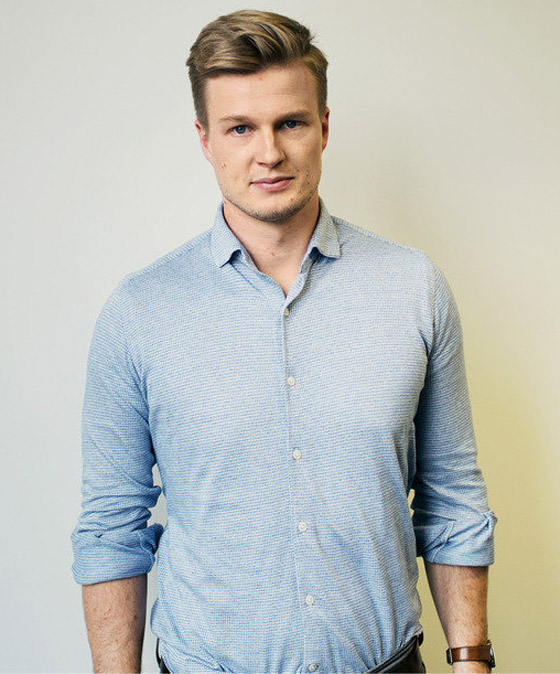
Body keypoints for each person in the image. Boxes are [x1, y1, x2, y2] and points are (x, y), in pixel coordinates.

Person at [71, 9, 497, 674]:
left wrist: (471, 659)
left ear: (324, 126)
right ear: (205, 139)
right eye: (240, 127)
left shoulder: (413, 288)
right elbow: (111, 528)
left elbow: (451, 498)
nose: (268, 152)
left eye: (290, 123)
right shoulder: (139, 313)